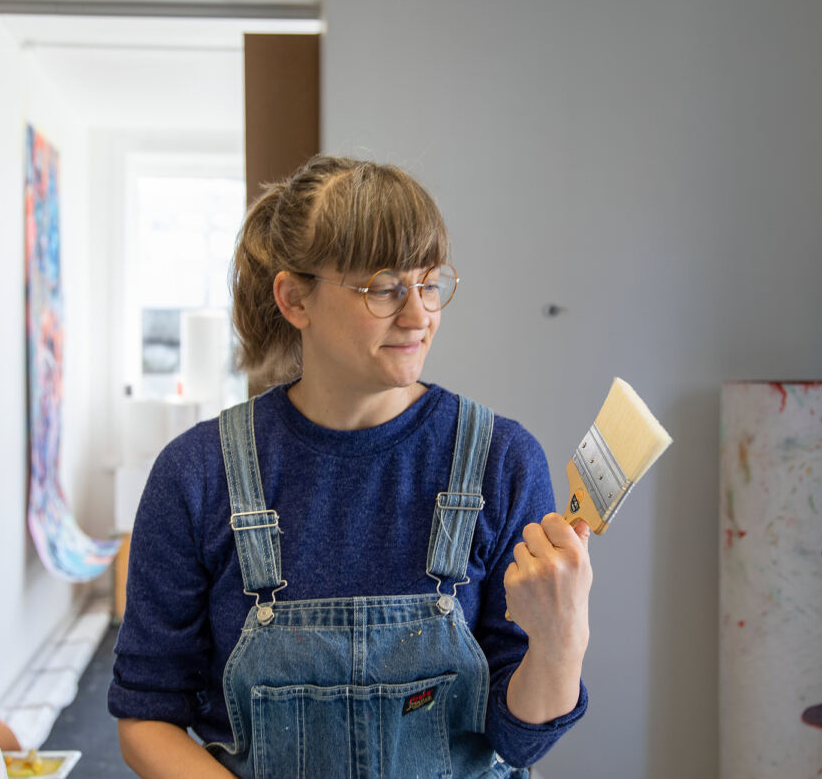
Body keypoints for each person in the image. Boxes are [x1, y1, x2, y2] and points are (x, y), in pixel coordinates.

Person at [110, 155, 592, 778]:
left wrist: (561, 639)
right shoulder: (197, 475)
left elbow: (519, 743)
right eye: (384, 288)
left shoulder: (502, 461)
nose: (418, 314)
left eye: (429, 282)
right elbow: (147, 716)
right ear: (294, 299)